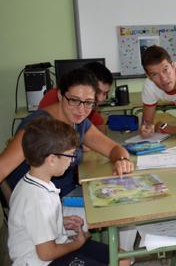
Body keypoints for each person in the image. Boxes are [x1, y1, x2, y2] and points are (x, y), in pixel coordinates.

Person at [8, 118, 130, 266]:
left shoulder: (35, 182)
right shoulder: (37, 198)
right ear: (52, 159)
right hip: (41, 261)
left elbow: (34, 223)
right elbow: (46, 253)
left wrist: (59, 222)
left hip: (56, 247)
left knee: (123, 259)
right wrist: (77, 244)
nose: (72, 161)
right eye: (70, 156)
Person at [0, 68, 134, 197]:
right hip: (40, 204)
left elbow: (114, 149)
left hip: (65, 195)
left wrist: (122, 160)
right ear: (60, 95)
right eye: (74, 100)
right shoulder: (37, 127)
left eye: (88, 103)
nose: (81, 110)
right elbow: (2, 168)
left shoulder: (79, 122)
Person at [38, 62, 113, 133]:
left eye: (105, 93)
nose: (100, 99)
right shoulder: (52, 99)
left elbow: (100, 129)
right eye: (98, 91)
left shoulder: (88, 105)